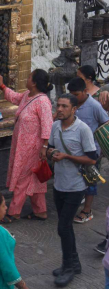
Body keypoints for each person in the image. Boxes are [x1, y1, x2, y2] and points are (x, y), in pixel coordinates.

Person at [47, 94, 97, 287]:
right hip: (59, 184)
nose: (59, 109)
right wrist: (50, 153)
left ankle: (68, 268)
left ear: (74, 109)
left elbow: (92, 158)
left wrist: (67, 156)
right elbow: (49, 148)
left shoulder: (82, 129)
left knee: (63, 227)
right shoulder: (55, 126)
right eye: (58, 105)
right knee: (65, 227)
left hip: (76, 186)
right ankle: (73, 263)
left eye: (64, 106)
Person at [0, 70, 53, 223]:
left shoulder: (43, 101)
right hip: (22, 145)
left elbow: (47, 125)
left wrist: (44, 147)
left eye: (29, 77)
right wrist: (2, 86)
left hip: (33, 148)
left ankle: (13, 212)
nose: (26, 79)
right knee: (35, 178)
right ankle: (40, 211)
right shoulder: (27, 95)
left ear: (34, 82)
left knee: (22, 179)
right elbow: (15, 98)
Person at [67, 77, 109, 224]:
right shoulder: (72, 104)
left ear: (85, 91)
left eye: (76, 94)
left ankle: (87, 210)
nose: (74, 97)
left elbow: (105, 123)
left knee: (90, 180)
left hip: (92, 151)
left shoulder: (94, 106)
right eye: (71, 94)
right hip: (74, 149)